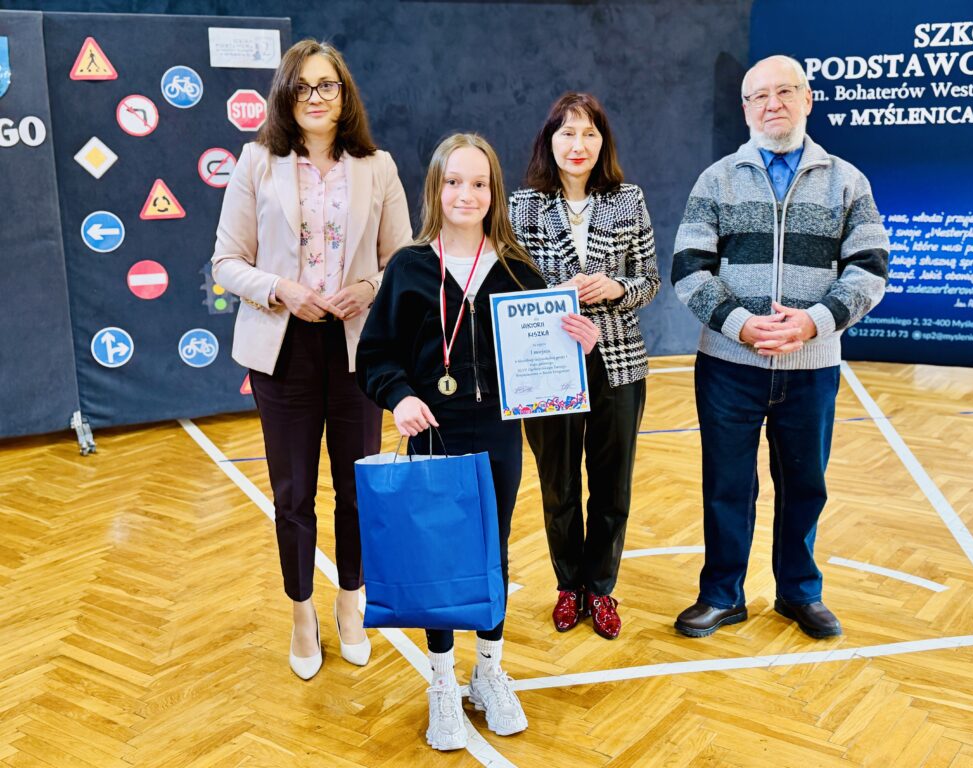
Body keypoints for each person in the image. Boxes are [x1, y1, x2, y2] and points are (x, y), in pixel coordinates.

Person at [357, 133, 599, 751]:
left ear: (495, 192)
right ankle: (441, 682)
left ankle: (488, 670)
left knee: (493, 549)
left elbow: (548, 355)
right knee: (439, 554)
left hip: (497, 432)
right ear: (435, 189)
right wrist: (399, 397)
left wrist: (580, 343)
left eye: (479, 183)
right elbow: (374, 356)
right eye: (454, 182)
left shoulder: (519, 270)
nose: (466, 194)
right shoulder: (409, 267)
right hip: (432, 431)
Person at [211, 39, 411, 679]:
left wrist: (369, 288)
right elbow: (226, 263)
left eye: (327, 85)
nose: (316, 97)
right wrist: (281, 290)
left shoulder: (378, 166)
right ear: (285, 96)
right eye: (303, 86)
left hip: (358, 349)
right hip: (283, 348)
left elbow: (403, 260)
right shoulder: (256, 162)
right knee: (293, 492)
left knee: (357, 489)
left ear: (344, 94)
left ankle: (351, 603)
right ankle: (302, 614)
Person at [671, 55, 889, 639]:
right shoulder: (716, 180)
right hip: (728, 365)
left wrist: (814, 323)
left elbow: (869, 270)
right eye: (759, 96)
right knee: (727, 485)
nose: (773, 104)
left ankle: (799, 593)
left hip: (811, 367)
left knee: (804, 485)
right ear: (745, 109)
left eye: (785, 91)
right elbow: (689, 269)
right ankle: (722, 595)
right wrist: (740, 324)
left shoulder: (848, 181)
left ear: (808, 99)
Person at [509, 93, 660, 640]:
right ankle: (568, 585)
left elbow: (649, 280)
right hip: (547, 364)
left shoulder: (628, 200)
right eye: (567, 133)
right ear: (549, 141)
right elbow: (510, 288)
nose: (579, 144)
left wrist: (616, 287)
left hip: (617, 361)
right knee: (558, 486)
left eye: (589, 133)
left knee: (613, 486)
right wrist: (559, 298)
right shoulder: (522, 206)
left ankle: (601, 588)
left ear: (603, 142)